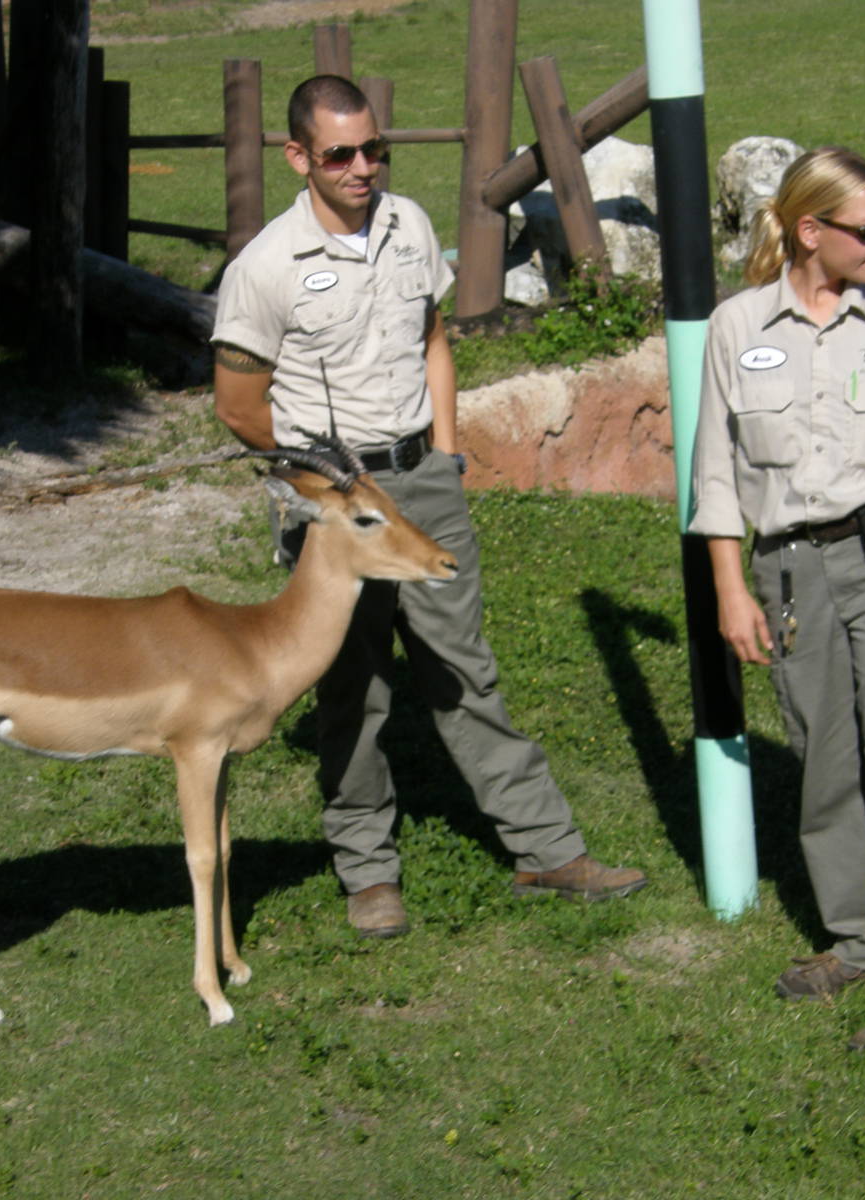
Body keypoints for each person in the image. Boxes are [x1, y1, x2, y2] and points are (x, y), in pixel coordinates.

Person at [210, 75, 646, 937]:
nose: (364, 166)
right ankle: (369, 871)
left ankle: (546, 848)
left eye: (376, 148)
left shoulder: (408, 225)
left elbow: (432, 338)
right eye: (341, 154)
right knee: (353, 685)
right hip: (336, 501)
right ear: (299, 157)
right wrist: (316, 489)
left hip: (423, 480)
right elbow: (235, 403)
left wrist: (446, 450)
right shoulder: (265, 267)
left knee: (462, 667)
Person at [689, 147, 865, 1050]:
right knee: (823, 765)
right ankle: (857, 941)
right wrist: (731, 591)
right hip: (785, 573)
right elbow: (717, 475)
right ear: (810, 232)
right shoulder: (738, 326)